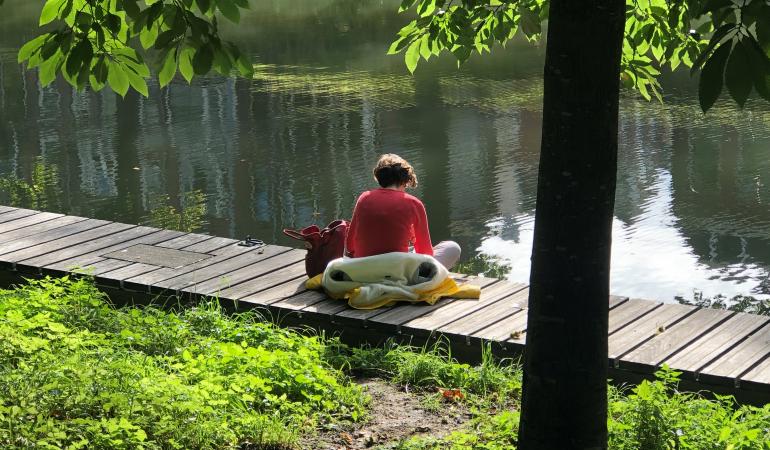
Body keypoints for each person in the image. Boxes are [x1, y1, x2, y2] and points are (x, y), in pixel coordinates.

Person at [345, 153, 461, 269]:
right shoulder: (413, 204)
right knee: (452, 248)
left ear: (379, 177)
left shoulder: (364, 198)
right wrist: (413, 237)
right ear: (405, 180)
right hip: (400, 274)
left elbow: (350, 246)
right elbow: (425, 253)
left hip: (364, 272)